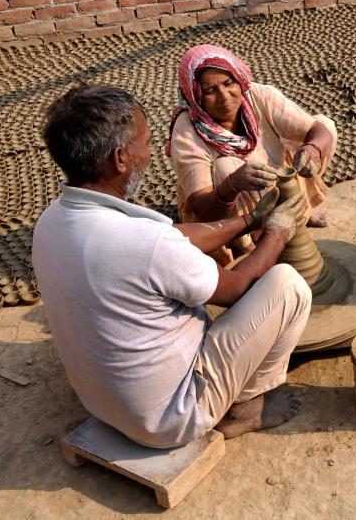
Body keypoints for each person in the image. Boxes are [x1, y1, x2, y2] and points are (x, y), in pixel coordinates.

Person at [32, 84, 311, 449]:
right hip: (169, 418)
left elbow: (171, 236)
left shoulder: (51, 220)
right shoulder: (145, 245)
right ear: (119, 159)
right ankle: (241, 408)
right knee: (288, 284)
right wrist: (277, 232)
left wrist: (250, 221)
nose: (150, 155)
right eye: (145, 144)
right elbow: (236, 288)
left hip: (101, 402)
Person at [167, 44, 337, 265]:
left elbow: (318, 131)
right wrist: (232, 185)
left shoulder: (259, 96)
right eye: (210, 91)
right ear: (195, 96)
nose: (224, 96)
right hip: (224, 212)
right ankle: (252, 245)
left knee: (326, 127)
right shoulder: (187, 132)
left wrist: (313, 149)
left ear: (239, 80)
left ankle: (299, 215)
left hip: (270, 182)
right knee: (226, 166)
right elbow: (204, 211)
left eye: (229, 83)